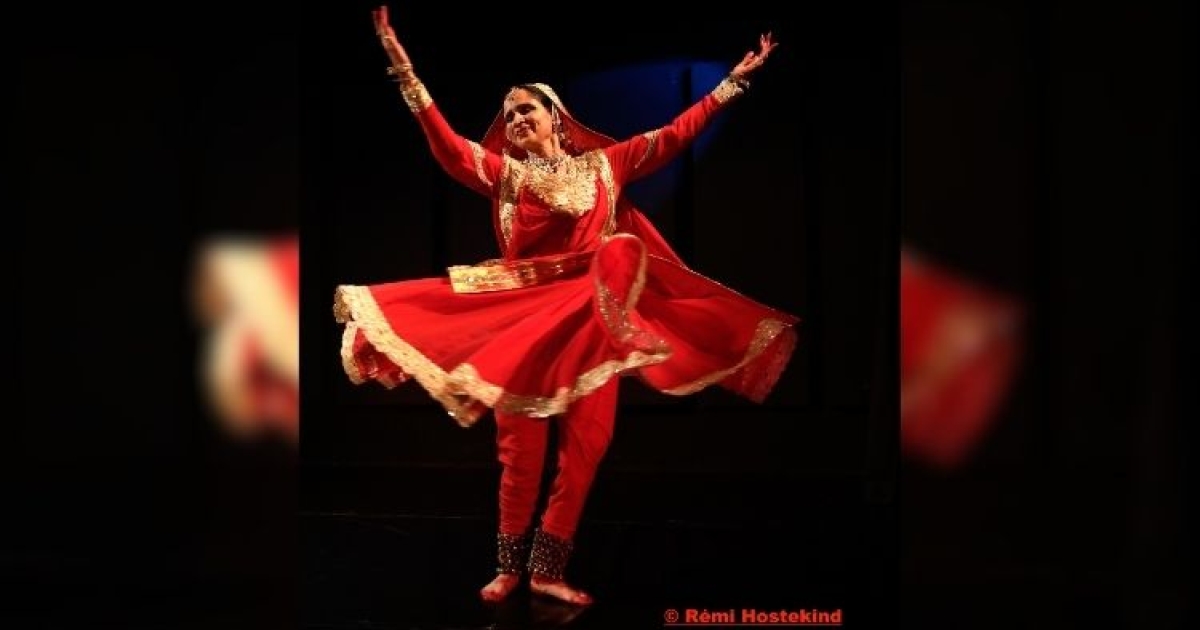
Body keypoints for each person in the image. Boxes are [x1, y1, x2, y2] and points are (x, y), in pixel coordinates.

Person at [333, 5, 800, 606]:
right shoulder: (507, 177)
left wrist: (732, 83)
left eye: (525, 108)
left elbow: (676, 134)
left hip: (589, 319)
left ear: (554, 116)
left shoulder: (607, 166)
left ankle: (549, 569)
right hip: (525, 321)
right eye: (507, 115)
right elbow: (450, 150)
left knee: (587, 445)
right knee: (520, 450)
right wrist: (405, 71)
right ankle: (507, 567)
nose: (515, 118)